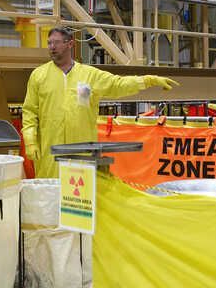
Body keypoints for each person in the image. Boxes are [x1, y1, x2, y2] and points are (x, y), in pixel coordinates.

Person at [21, 26, 179, 178]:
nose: (52, 47)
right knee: (50, 195)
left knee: (80, 196)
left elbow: (117, 85)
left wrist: (148, 80)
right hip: (50, 151)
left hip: (82, 150)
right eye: (49, 43)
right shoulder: (38, 76)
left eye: (56, 42)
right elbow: (30, 111)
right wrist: (30, 139)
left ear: (70, 44)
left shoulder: (89, 75)